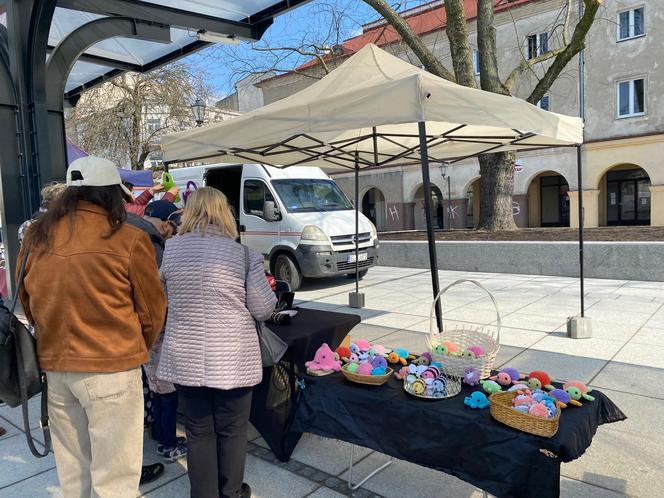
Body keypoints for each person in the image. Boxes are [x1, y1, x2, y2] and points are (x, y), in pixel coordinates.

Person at [19, 156, 166, 498]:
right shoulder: (128, 239)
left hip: (57, 368)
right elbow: (152, 310)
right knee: (114, 478)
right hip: (111, 365)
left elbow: (29, 303)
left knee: (74, 476)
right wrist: (133, 346)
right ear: (111, 194)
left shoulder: (36, 238)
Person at [157, 187, 276, 498]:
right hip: (233, 358)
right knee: (233, 431)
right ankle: (232, 492)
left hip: (186, 356)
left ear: (189, 212)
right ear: (225, 214)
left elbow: (164, 299)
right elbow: (264, 308)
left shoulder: (171, 250)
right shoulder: (244, 254)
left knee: (198, 432)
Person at [130, 200, 188, 464]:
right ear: (166, 224)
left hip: (143, 336)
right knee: (168, 395)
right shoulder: (154, 248)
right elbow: (161, 298)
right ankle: (168, 443)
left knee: (155, 390)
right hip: (160, 335)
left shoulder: (132, 237)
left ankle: (158, 435)